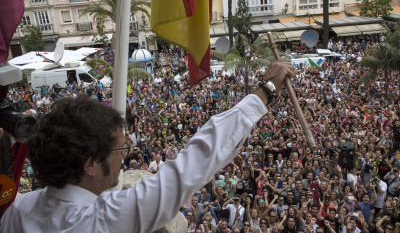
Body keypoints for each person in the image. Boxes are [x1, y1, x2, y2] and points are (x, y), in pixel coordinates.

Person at [0, 60, 295, 232]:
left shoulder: (18, 211)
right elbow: (194, 163)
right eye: (119, 150)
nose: (124, 158)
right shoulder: (100, 221)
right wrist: (265, 91)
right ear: (89, 164)